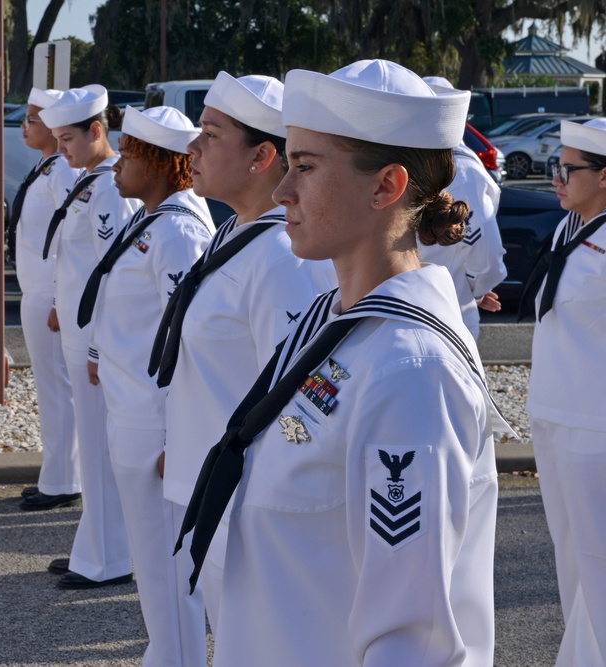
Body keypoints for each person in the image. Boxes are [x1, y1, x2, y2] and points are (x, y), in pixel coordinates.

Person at [178, 60, 513, 665]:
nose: (283, 191)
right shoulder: (335, 323)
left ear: (386, 186)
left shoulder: (409, 370)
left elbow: (413, 641)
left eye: (304, 167)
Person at [150, 72, 335, 628]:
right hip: (211, 488)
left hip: (245, 503)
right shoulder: (233, 234)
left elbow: (293, 401)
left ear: (260, 157)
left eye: (210, 133)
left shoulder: (283, 256)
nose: (193, 147)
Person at [78, 104, 214, 666]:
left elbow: (187, 341)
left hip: (154, 422)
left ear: (159, 164)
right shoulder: (151, 217)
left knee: (166, 565)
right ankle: (166, 653)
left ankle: (176, 658)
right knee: (152, 562)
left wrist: (174, 435)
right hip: (129, 408)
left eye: (130, 154)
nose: (116, 164)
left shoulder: (179, 231)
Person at [38, 85, 137, 588]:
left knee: (99, 450)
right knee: (94, 446)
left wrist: (99, 345)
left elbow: (111, 273)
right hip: (81, 334)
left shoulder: (111, 190)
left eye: (67, 139)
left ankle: (110, 558)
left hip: (95, 339)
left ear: (97, 131)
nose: (60, 150)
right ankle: (93, 545)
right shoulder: (88, 180)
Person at [524, 117, 606, 666]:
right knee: (572, 559)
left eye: (569, 168)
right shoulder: (567, 228)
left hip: (595, 423)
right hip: (552, 411)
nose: (556, 177)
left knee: (599, 561)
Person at [11, 87, 83, 512]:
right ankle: (55, 474)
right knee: (50, 388)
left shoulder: (62, 172)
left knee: (59, 388)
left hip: (49, 294)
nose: (25, 125)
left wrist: (60, 297)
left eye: (33, 119)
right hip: (34, 291)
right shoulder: (45, 168)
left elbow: (71, 241)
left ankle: (64, 481)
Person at [420, 76, 507, 340]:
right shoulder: (466, 173)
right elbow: (488, 256)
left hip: (393, 309)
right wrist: (477, 290)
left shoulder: (393, 164)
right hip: (450, 312)